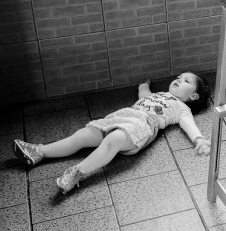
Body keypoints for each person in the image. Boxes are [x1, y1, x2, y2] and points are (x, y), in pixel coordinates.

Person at [13, 73, 212, 194]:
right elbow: (144, 96)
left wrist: (199, 139)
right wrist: (144, 86)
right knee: (83, 135)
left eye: (185, 80)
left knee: (114, 139)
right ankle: (39, 151)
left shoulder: (181, 108)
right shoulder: (159, 95)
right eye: (178, 77)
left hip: (143, 126)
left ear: (193, 96)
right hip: (124, 116)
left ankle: (77, 173)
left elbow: (189, 124)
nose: (178, 79)